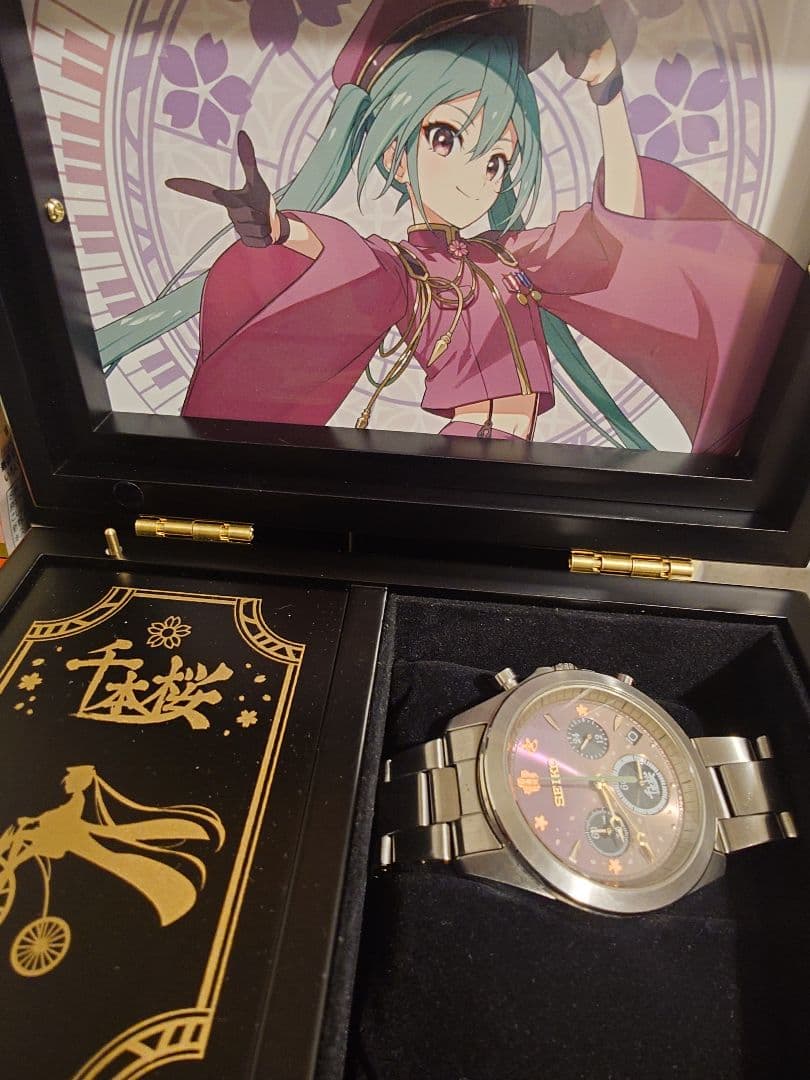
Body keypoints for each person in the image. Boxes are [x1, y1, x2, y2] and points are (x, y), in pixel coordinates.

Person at [153, 1, 801, 451]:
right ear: (395, 153)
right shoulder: (408, 269)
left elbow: (621, 232)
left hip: (522, 468)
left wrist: (607, 93)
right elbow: (344, 256)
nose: (478, 176)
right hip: (464, 454)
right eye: (446, 138)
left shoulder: (516, 255)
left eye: (497, 160)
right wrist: (275, 228)